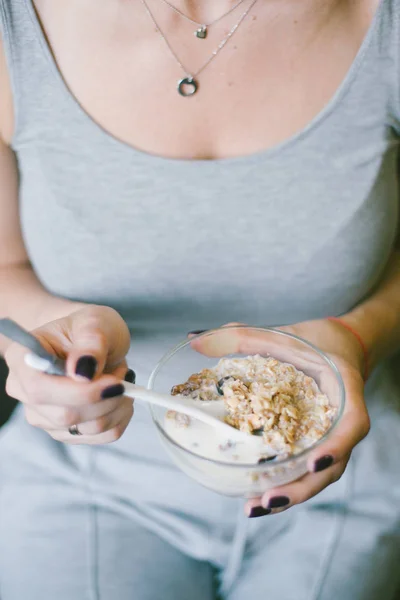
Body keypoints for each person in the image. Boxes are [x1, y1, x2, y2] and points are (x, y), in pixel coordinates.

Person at [0, 0, 399, 598]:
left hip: (343, 472)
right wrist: (50, 338)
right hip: (84, 477)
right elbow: (6, 265)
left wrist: (360, 337)